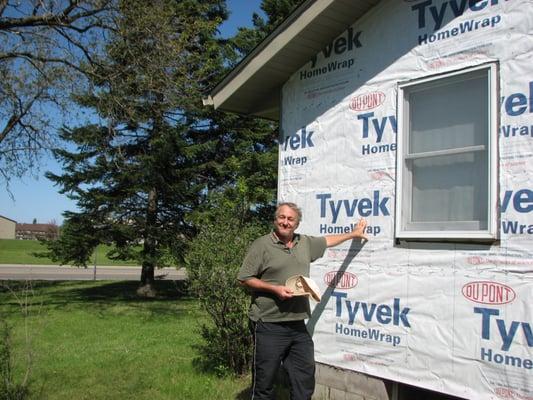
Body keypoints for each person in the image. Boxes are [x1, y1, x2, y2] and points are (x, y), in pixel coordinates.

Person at [238, 202, 368, 400]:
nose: (285, 222)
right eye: (281, 217)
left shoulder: (304, 243)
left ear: (297, 224)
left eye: (290, 219)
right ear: (275, 220)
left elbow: (327, 241)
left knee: (304, 379)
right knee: (264, 383)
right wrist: (274, 289)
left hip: (297, 323)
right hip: (268, 323)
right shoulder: (262, 245)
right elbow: (244, 278)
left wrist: (353, 234)